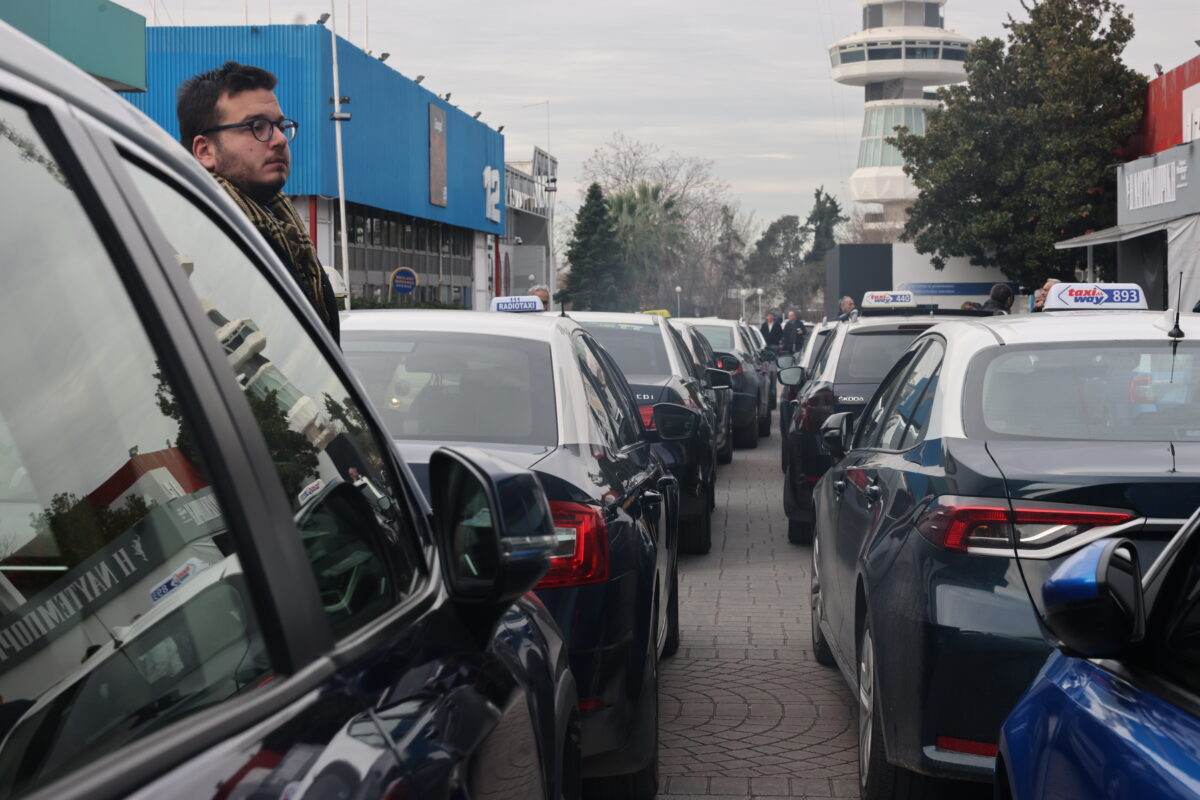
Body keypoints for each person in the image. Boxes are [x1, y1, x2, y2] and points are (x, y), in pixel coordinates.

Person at [177, 62, 340, 344]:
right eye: (257, 126)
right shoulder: (200, 240)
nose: (278, 139)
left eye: (279, 126)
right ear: (205, 150)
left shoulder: (284, 231)